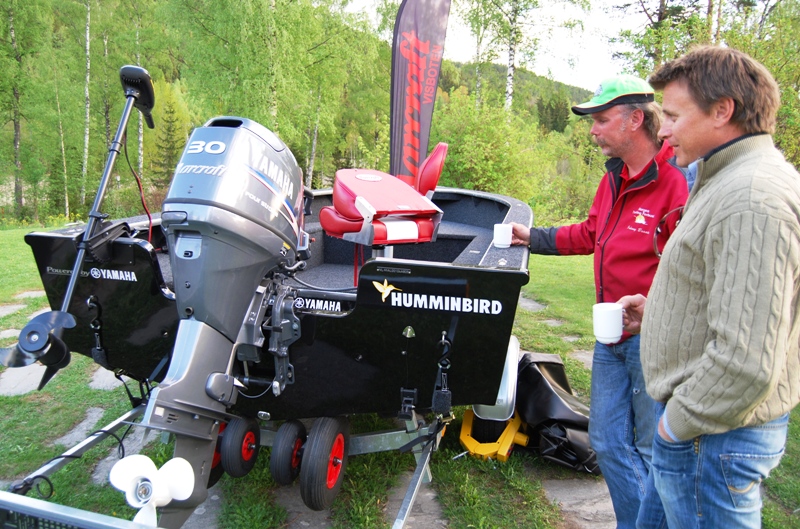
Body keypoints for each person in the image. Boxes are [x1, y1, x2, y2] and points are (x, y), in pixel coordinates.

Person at [619, 45, 800, 529]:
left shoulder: (751, 198)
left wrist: (674, 427)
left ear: (723, 111)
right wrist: (660, 312)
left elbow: (746, 361)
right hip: (702, 432)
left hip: (710, 436)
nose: (663, 130)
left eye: (673, 116)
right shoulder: (725, 179)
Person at [511, 74, 689, 529]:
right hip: (610, 336)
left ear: (635, 120)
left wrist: (654, 310)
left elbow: (695, 271)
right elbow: (592, 233)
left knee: (651, 449)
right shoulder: (614, 178)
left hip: (655, 338)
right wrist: (532, 237)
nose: (593, 130)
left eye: (602, 120)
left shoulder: (678, 181)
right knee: (607, 443)